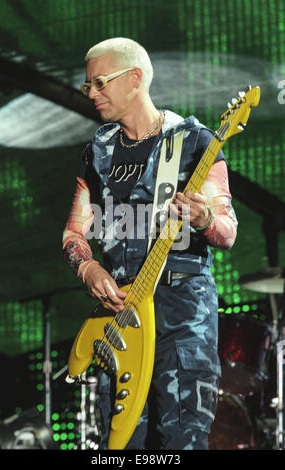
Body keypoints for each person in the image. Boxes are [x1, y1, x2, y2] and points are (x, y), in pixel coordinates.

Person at [62, 37, 237, 450]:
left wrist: (204, 217)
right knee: (120, 446)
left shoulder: (194, 142)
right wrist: (88, 267)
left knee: (180, 442)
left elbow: (227, 231)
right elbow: (74, 232)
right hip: (120, 321)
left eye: (100, 82)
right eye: (88, 86)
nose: (92, 93)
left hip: (182, 319)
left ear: (135, 78)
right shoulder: (97, 153)